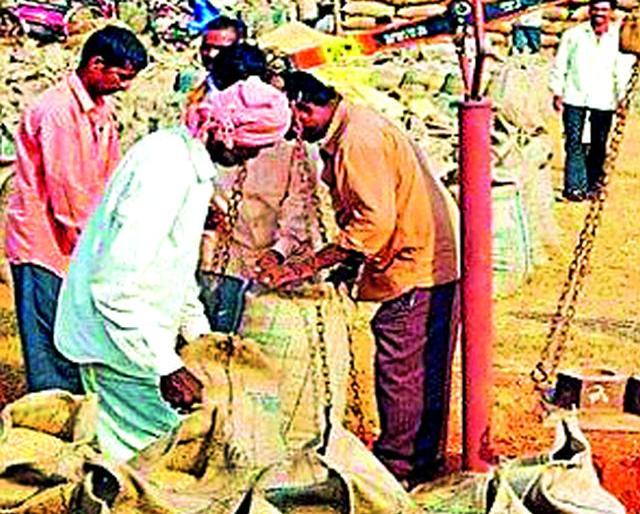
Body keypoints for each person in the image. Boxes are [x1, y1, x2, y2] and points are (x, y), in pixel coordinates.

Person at [53, 77, 292, 463]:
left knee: (174, 454)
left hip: (142, 341)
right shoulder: (164, 168)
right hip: (118, 342)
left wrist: (201, 336)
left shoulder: (189, 163)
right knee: (157, 459)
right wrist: (166, 367)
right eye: (255, 146)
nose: (253, 157)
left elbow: (175, 270)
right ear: (232, 133)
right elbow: (114, 285)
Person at [258, 71, 460, 489]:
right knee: (419, 365)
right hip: (419, 254)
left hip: (417, 262)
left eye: (288, 118)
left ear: (304, 108)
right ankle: (417, 459)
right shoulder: (350, 128)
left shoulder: (357, 140)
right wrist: (348, 266)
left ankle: (400, 468)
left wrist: (306, 266)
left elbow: (373, 223)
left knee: (402, 367)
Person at [5, 26, 147, 394]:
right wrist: (99, 246)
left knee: (72, 337)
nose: (124, 87)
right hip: (45, 244)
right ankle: (50, 417)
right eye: (121, 77)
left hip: (79, 242)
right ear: (96, 64)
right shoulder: (57, 111)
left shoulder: (100, 110)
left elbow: (110, 175)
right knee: (50, 346)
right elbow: (66, 189)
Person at [550, 0, 635, 202]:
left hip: (604, 99)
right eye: (596, 9)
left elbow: (622, 70)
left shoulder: (617, 39)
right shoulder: (573, 35)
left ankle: (592, 185)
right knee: (574, 143)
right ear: (589, 10)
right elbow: (560, 63)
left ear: (611, 12)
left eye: (604, 9)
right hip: (574, 96)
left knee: (598, 144)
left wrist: (622, 98)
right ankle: (574, 187)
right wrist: (557, 91)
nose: (599, 13)